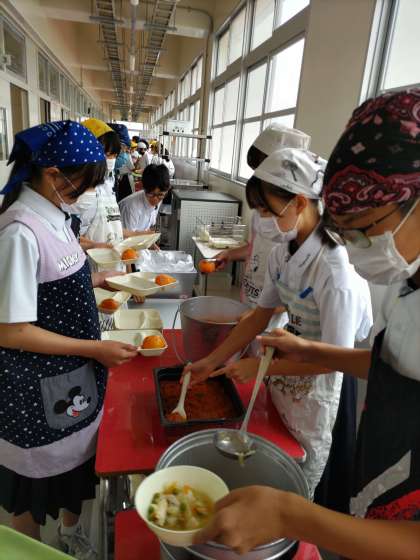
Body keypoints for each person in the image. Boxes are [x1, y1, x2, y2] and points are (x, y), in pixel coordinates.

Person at [193, 90, 420, 560]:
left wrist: (293, 515)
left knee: (314, 472)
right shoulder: (407, 287)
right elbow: (393, 370)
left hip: (341, 413)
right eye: (346, 230)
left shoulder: (337, 274)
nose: (354, 245)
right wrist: (301, 351)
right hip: (382, 473)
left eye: (364, 229)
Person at [184, 147, 372, 496]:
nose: (262, 220)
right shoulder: (282, 253)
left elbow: (334, 359)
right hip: (289, 364)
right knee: (276, 445)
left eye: (267, 211)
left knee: (304, 471)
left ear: (299, 203)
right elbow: (258, 316)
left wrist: (262, 368)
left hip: (320, 378)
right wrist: (211, 361)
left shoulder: (335, 271)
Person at [0, 121, 138, 559]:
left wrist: (99, 279)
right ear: (53, 173)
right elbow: (11, 330)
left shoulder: (56, 217)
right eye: (84, 183)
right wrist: (94, 348)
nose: (87, 192)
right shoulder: (19, 232)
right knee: (33, 487)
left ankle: (71, 537)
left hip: (73, 377)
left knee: (73, 473)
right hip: (35, 388)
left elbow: (50, 285)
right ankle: (33, 551)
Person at [119, 163, 170, 233]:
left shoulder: (159, 199)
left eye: (160, 195)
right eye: (151, 194)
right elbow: (127, 237)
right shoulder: (131, 207)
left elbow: (147, 228)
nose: (155, 199)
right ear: (144, 188)